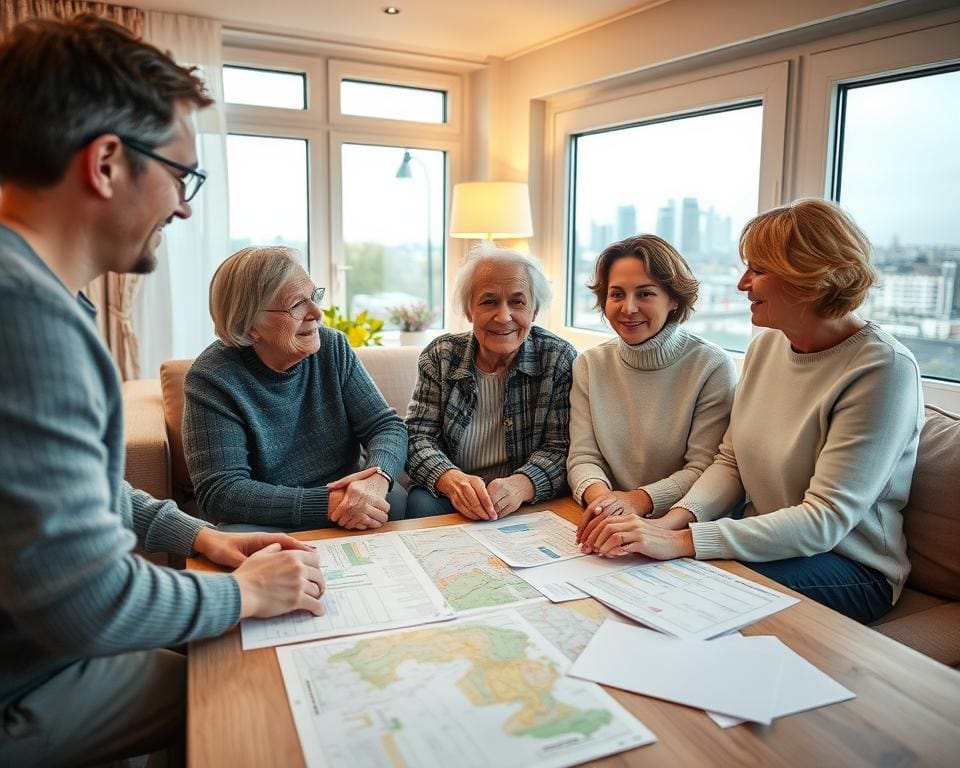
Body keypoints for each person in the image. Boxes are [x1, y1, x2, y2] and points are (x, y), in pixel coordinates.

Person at [0, 17, 325, 767]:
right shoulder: (28, 320)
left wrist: (195, 534)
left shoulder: (43, 296)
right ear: (107, 162)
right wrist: (249, 595)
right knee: (254, 691)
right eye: (181, 175)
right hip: (22, 683)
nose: (183, 207)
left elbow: (83, 491)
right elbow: (89, 604)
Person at [580, 199, 923, 623]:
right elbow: (731, 461)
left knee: (676, 595)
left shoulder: (883, 368)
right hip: (762, 536)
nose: (743, 283)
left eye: (758, 270)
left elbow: (824, 521)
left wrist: (683, 541)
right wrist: (668, 524)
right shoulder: (766, 346)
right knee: (633, 574)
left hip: (849, 565)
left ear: (809, 277)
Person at [183, 246, 408, 530]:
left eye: (314, 296)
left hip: (353, 501)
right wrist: (328, 503)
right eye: (296, 305)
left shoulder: (333, 347)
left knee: (393, 499)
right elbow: (222, 491)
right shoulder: (213, 378)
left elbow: (386, 426)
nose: (317, 313)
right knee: (236, 537)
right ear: (250, 324)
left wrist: (377, 477)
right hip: (270, 516)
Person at [570, 235, 736, 545]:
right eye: (616, 294)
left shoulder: (711, 366)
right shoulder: (589, 365)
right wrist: (604, 503)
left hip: (680, 528)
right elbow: (582, 457)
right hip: (611, 522)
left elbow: (704, 468)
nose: (628, 308)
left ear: (673, 299)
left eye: (645, 293)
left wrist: (637, 500)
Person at [406, 245, 577, 519]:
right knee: (420, 505)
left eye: (518, 302)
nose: (503, 316)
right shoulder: (441, 356)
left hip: (526, 495)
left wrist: (521, 485)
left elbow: (562, 447)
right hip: (455, 493)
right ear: (468, 310)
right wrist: (452, 480)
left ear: (534, 310)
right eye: (489, 301)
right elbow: (417, 437)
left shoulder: (557, 358)